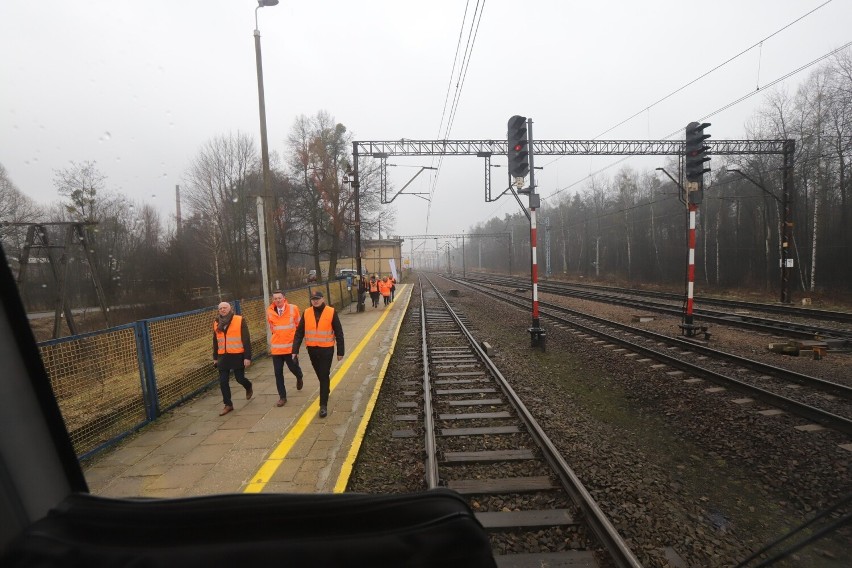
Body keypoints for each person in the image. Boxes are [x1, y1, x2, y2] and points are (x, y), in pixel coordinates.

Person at [293, 290, 344, 418]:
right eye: (313, 299)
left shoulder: (331, 312)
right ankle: (325, 389)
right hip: (312, 350)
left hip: (327, 349)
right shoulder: (306, 312)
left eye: (317, 298)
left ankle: (323, 405)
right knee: (320, 375)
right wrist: (295, 350)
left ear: (323, 299)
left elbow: (339, 332)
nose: (315, 301)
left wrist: (340, 351)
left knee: (324, 374)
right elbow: (299, 333)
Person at [212, 301, 253, 416]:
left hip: (237, 355)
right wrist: (215, 357)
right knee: (223, 381)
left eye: (225, 308)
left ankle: (248, 385)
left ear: (230, 309)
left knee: (240, 378)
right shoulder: (216, 323)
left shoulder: (239, 320)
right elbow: (215, 341)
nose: (223, 310)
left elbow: (246, 340)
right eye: (220, 308)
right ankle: (228, 404)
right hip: (223, 356)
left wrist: (247, 357)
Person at [267, 289, 304, 407]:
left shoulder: (293, 308)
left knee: (294, 368)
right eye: (275, 298)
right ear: (273, 300)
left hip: (290, 348)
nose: (277, 300)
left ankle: (299, 377)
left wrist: (297, 345)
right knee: (278, 373)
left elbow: (299, 327)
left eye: (279, 298)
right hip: (277, 349)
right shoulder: (269, 311)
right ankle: (282, 397)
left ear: (284, 298)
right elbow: (272, 328)